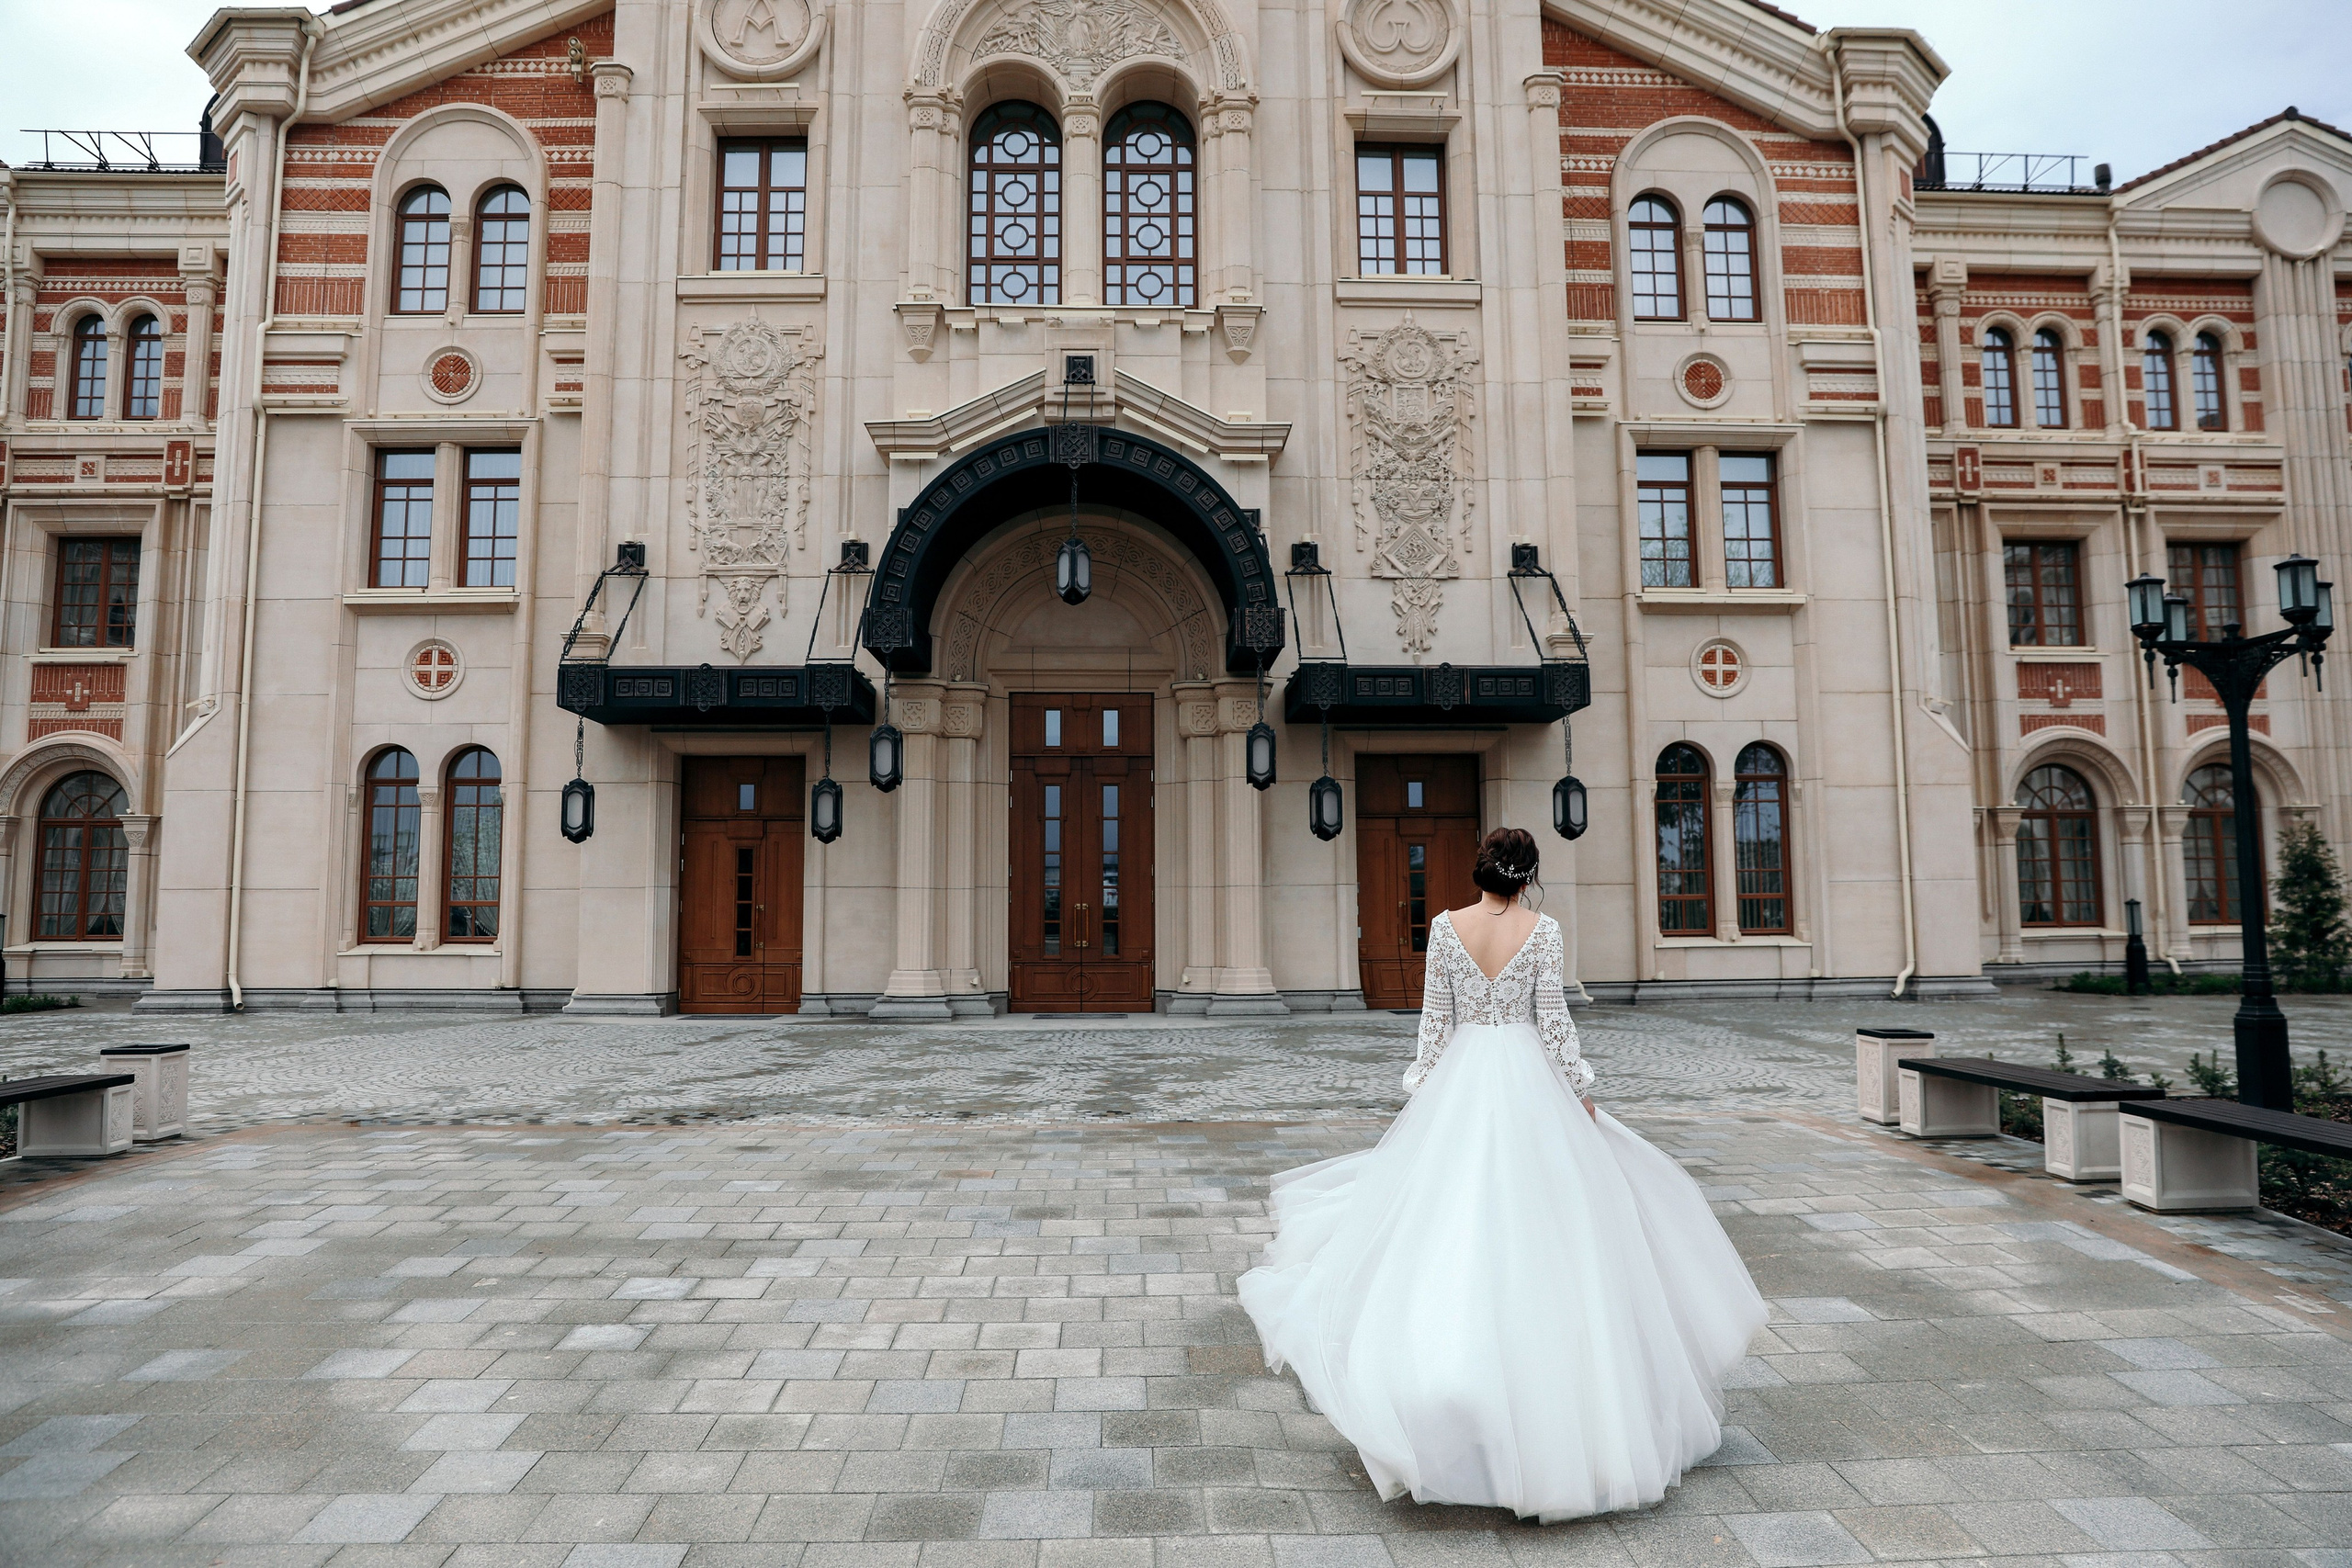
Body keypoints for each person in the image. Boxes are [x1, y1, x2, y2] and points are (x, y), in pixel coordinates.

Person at [1237, 827, 1767, 1522]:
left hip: (1463, 1080)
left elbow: (1434, 1024)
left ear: (1481, 870)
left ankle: (1442, 1400)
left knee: (1447, 1229)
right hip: (1526, 1086)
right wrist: (1578, 1088)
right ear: (1528, 876)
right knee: (1549, 1234)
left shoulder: (1446, 927)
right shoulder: (1542, 932)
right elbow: (1553, 1025)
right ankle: (1548, 1412)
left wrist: (1425, 1090)